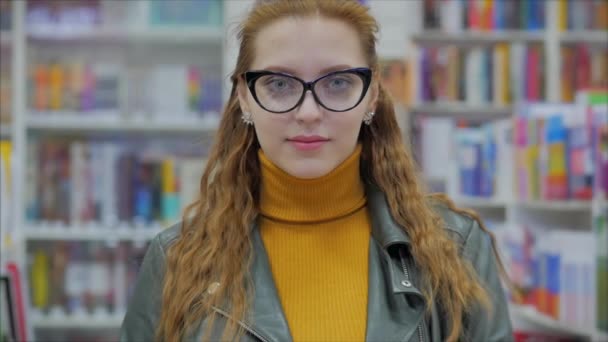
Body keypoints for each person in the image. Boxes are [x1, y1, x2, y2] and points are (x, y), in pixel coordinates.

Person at [120, 0, 513, 341]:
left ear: (371, 95)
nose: (308, 113)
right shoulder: (178, 259)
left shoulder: (455, 248)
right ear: (244, 97)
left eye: (338, 82)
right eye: (278, 84)